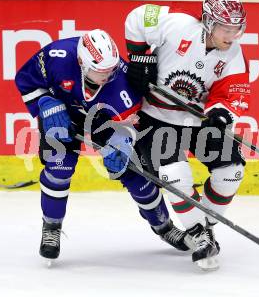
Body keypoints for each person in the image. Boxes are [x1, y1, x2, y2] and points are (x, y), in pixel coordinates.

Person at [14, 29, 192, 262]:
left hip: (107, 122)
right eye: (101, 71)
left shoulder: (123, 81)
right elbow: (27, 81)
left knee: (135, 175)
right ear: (81, 62)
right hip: (62, 115)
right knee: (59, 168)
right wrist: (44, 102)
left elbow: (132, 121)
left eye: (111, 69)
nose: (108, 75)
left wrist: (123, 140)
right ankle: (51, 227)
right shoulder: (56, 56)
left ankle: (164, 226)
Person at [124, 0, 251, 270]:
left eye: (236, 29)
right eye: (225, 28)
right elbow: (138, 17)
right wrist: (138, 58)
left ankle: (205, 226)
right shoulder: (177, 24)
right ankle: (197, 234)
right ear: (208, 22)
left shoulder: (233, 54)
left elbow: (233, 94)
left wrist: (220, 112)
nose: (231, 36)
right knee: (173, 174)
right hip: (154, 116)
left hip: (196, 120)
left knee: (231, 172)